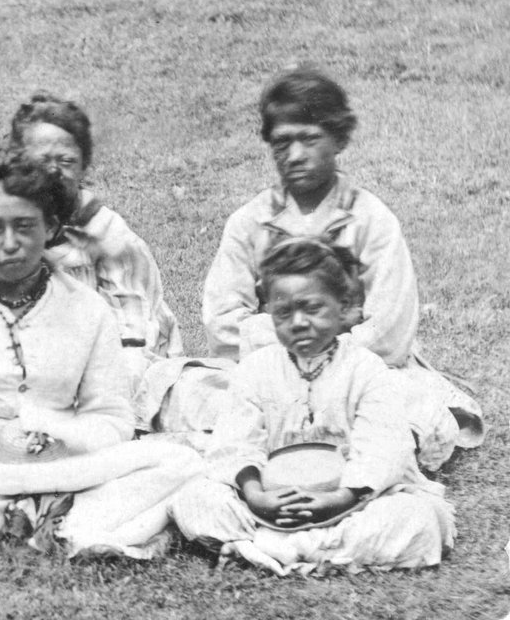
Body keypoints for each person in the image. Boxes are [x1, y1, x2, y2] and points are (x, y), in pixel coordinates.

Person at [0, 149, 202, 564]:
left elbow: (111, 415)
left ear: (50, 226)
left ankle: (23, 529)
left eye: (24, 227)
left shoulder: (89, 309)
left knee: (175, 462)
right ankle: (61, 529)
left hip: (68, 466)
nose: (9, 244)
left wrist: (64, 438)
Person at [197, 67, 482, 467]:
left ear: (338, 139)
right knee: (199, 400)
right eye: (282, 142)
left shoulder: (370, 220)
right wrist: (289, 350)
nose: (295, 155)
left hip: (361, 367)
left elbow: (390, 332)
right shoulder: (250, 222)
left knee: (408, 414)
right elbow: (222, 322)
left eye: (310, 139)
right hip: (269, 370)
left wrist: (331, 355)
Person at [172, 238, 454, 574]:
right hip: (268, 505)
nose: (299, 322)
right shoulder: (256, 367)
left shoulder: (366, 369)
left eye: (313, 308)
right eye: (284, 312)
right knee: (194, 499)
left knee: (417, 519)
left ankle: (266, 549)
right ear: (269, 314)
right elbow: (236, 442)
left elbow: (383, 447)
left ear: (343, 306)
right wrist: (255, 494)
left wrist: (342, 497)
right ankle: (311, 551)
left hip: (349, 504)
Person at [9, 93, 180, 371]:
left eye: (66, 161)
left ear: (83, 165)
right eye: (41, 161)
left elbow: (133, 338)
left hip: (115, 362)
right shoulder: (5, 229)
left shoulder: (107, 234)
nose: (53, 172)